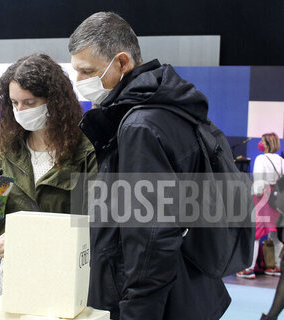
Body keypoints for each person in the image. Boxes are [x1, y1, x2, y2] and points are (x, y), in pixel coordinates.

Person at [68, 12, 231, 320]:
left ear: (122, 62)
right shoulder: (170, 108)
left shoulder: (139, 126)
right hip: (192, 286)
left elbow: (151, 239)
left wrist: (137, 313)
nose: (79, 82)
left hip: (160, 303)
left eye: (86, 71)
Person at [0, 53, 97, 259]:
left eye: (30, 102)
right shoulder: (7, 149)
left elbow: (93, 225)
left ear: (55, 101)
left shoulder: (86, 150)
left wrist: (28, 238)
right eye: (14, 102)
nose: (20, 110)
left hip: (63, 268)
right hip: (14, 267)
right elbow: (1, 219)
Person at [236, 132, 283, 280]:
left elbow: (258, 182)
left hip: (262, 199)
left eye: (262, 141)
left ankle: (248, 269)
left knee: (255, 235)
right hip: (277, 199)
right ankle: (277, 267)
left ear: (267, 144)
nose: (260, 143)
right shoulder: (281, 160)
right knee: (276, 235)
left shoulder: (261, 159)